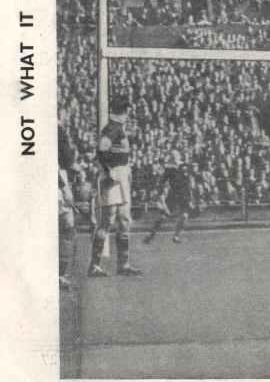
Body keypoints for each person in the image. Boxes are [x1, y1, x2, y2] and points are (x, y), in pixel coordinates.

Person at [88, 95, 142, 277]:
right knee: (108, 219)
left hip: (122, 174)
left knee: (124, 219)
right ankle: (94, 265)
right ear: (123, 111)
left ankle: (124, 264)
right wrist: (108, 171)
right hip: (113, 176)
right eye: (127, 110)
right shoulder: (112, 128)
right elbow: (101, 150)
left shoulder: (118, 128)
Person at [144, 150, 191, 244]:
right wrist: (159, 192)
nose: (175, 157)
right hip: (173, 194)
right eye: (173, 156)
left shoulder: (184, 166)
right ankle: (151, 234)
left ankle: (176, 236)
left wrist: (190, 196)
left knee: (185, 216)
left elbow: (188, 182)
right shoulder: (169, 169)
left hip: (183, 195)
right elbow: (162, 181)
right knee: (163, 217)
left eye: (176, 155)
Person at [58, 121, 78, 290]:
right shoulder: (56, 130)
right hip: (58, 182)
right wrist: (64, 188)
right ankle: (60, 275)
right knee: (67, 227)